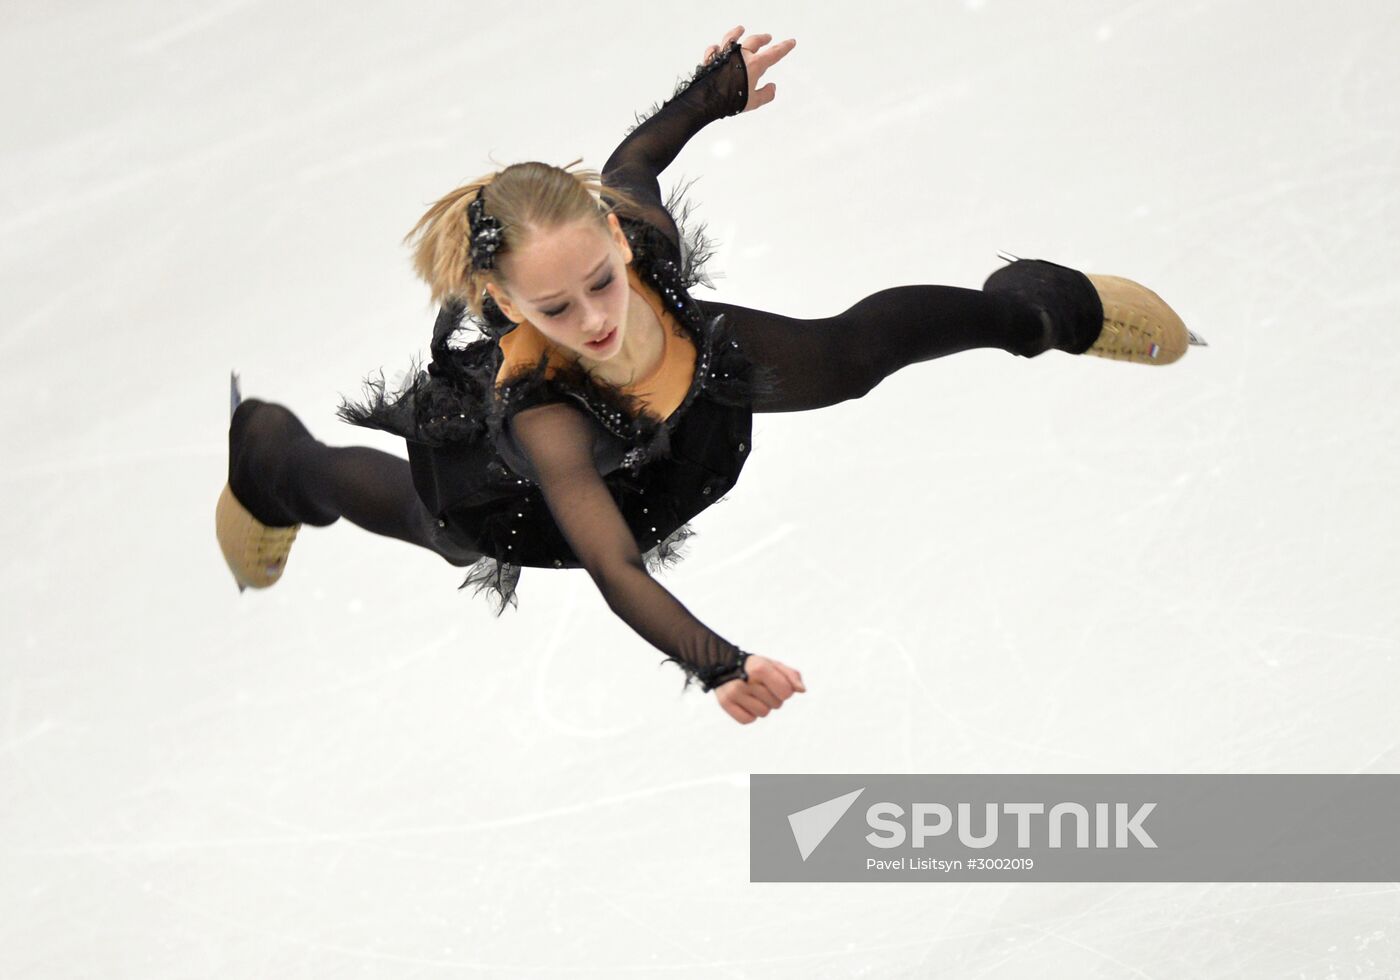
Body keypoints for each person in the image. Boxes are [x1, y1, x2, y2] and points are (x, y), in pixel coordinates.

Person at [215, 26, 1203, 726]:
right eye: (557, 309)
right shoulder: (542, 417)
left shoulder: (632, 232)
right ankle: (274, 458)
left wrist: (713, 90)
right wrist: (717, 662)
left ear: (612, 234)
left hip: (689, 397)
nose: (597, 320)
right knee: (436, 532)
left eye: (602, 282)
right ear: (508, 306)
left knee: (847, 356)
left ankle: (1032, 309)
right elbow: (612, 564)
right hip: (529, 499)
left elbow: (637, 155)